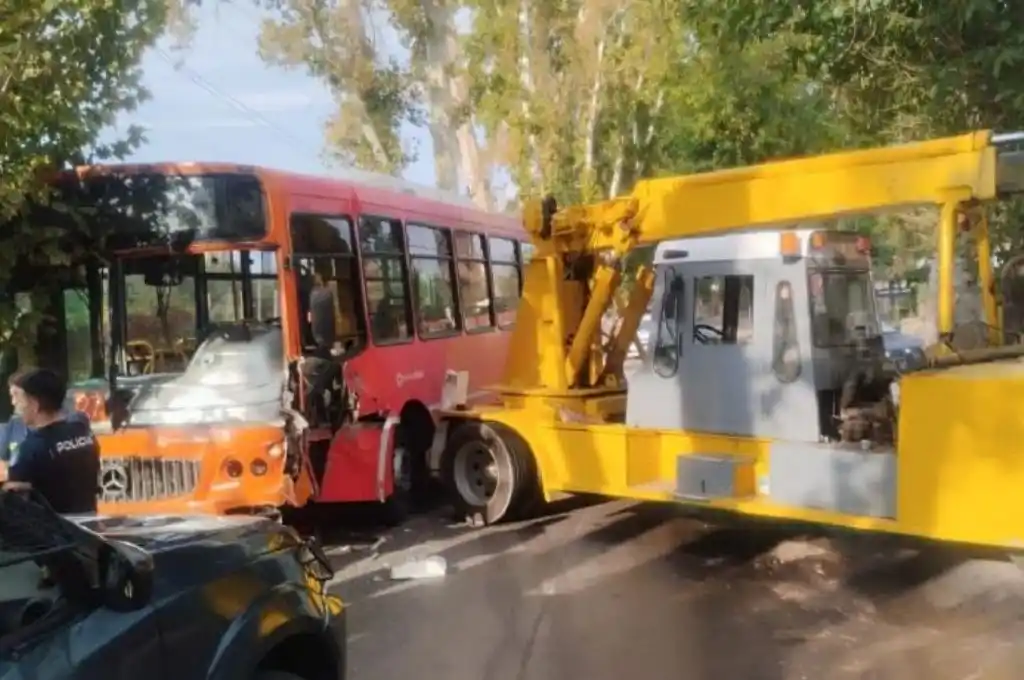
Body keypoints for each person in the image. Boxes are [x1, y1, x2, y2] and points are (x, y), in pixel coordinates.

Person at [2, 369, 99, 514]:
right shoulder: (82, 431)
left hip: (55, 531)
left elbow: (11, 488)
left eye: (17, 397)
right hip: (86, 525)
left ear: (34, 404)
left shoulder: (35, 446)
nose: (14, 403)